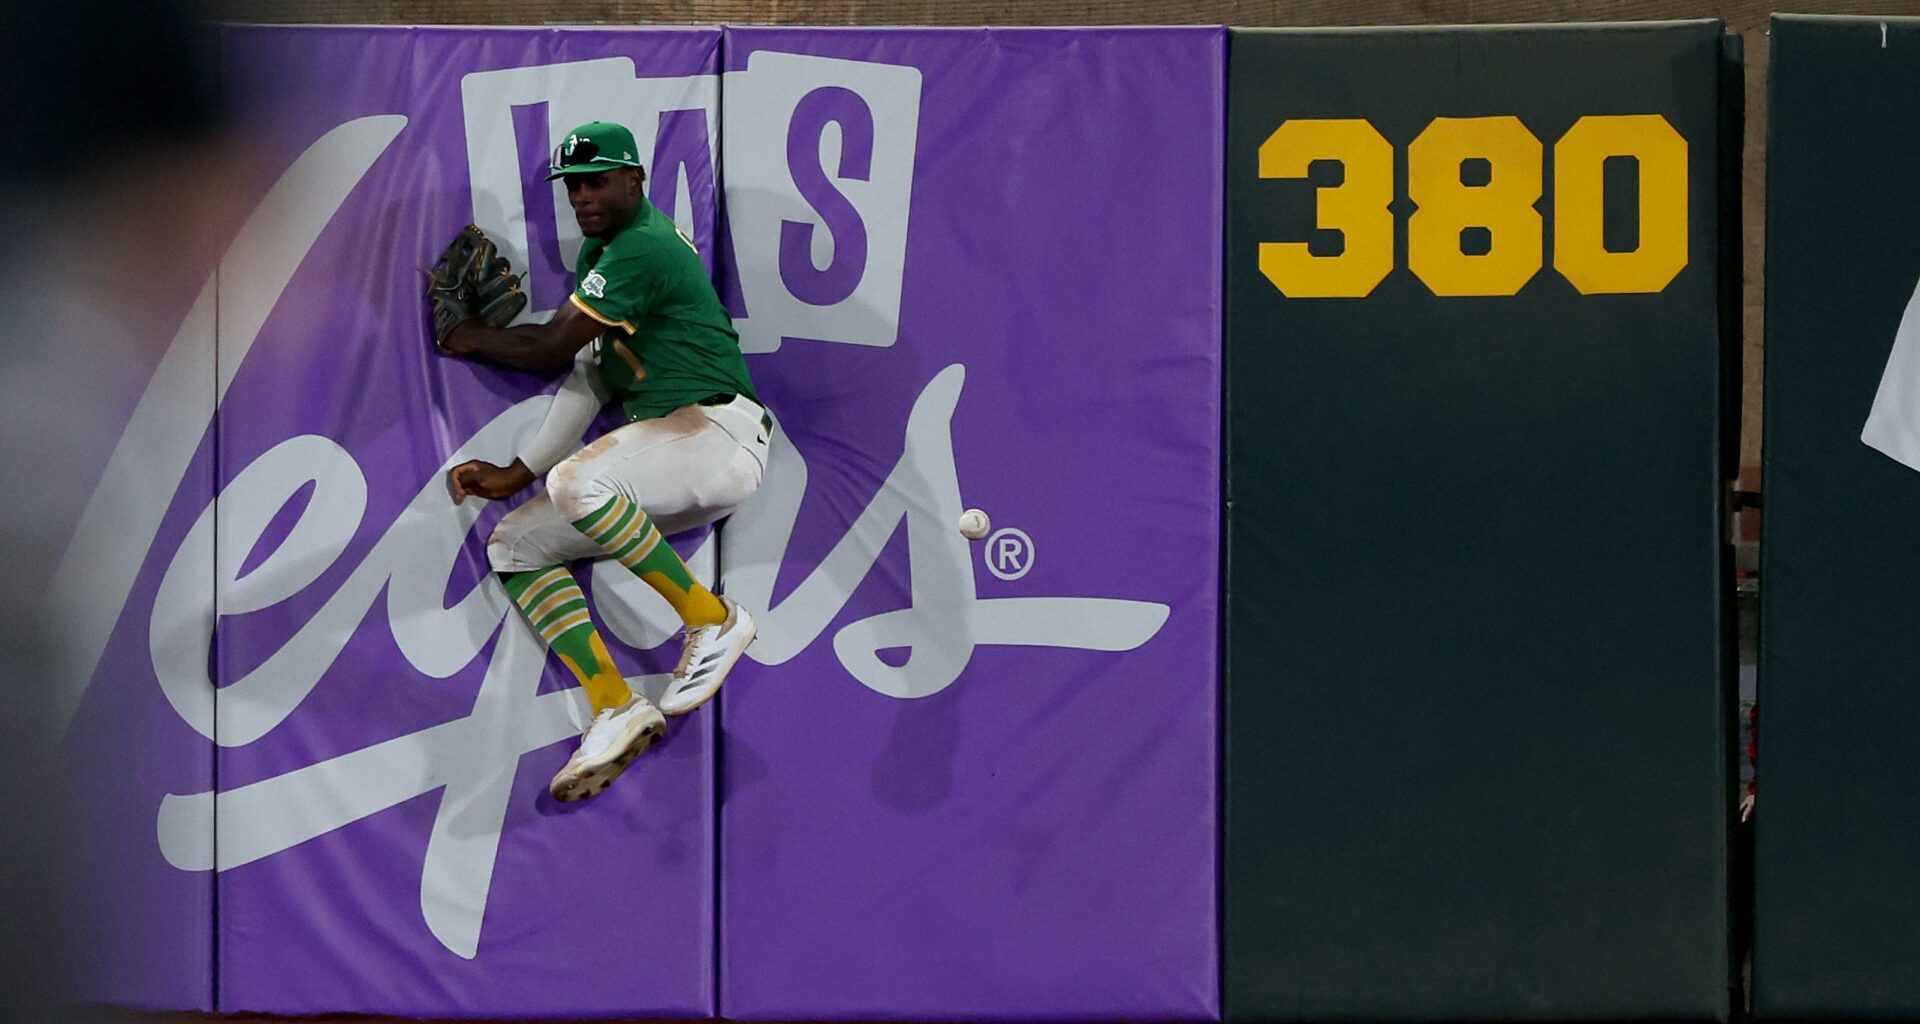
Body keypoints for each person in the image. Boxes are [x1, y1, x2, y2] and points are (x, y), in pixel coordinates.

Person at [435, 121, 768, 803]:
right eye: (574, 185)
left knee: (580, 481)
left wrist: (465, 334)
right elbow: (588, 374)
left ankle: (712, 618)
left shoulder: (640, 247)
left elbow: (550, 349)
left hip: (718, 431)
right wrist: (514, 475)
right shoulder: (605, 254)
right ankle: (614, 704)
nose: (583, 195)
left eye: (598, 181)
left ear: (635, 181)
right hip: (676, 457)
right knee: (517, 543)